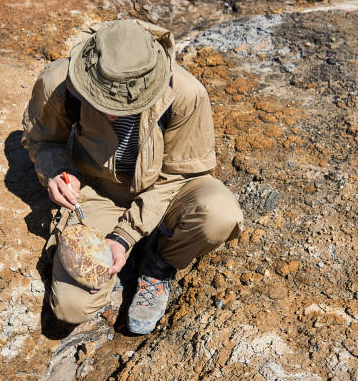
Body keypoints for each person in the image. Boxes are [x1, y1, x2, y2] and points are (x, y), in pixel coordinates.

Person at [22, 19, 243, 335]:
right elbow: (42, 139)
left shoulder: (186, 93)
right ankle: (141, 243)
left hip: (169, 189)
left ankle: (158, 263)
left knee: (220, 214)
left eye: (124, 104)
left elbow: (181, 174)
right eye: (98, 98)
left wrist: (124, 236)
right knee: (71, 306)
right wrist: (56, 171)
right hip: (101, 191)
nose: (110, 112)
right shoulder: (60, 81)